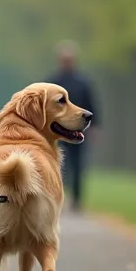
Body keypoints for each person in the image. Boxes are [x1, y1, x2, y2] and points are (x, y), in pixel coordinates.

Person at [46, 41, 98, 213]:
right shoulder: (52, 83)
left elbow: (92, 105)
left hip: (78, 129)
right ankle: (55, 196)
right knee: (55, 163)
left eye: (69, 59)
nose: (67, 62)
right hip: (56, 130)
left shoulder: (83, 82)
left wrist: (95, 126)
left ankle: (76, 200)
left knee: (78, 164)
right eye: (64, 59)